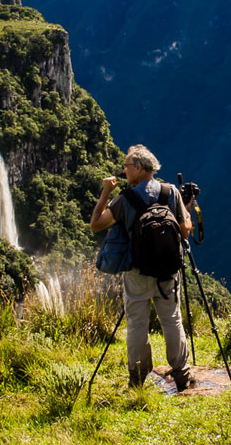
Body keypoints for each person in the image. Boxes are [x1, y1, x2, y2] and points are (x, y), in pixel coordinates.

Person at [89, 145, 194, 390]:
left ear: (138, 167)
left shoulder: (126, 199)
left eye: (126, 166)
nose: (124, 171)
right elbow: (184, 230)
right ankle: (181, 374)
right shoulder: (171, 192)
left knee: (137, 323)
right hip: (168, 271)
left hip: (137, 272)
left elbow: (95, 225)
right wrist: (188, 213)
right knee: (172, 320)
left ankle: (137, 378)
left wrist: (105, 192)